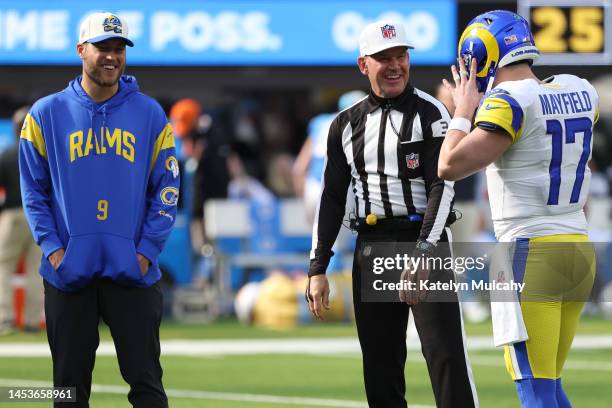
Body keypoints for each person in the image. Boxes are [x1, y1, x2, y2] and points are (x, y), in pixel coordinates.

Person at [306, 20, 478, 407]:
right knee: (380, 368)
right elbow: (332, 197)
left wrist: (423, 252)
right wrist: (318, 267)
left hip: (425, 242)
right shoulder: (345, 125)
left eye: (401, 55)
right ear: (363, 64)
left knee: (446, 358)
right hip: (373, 246)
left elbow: (443, 186)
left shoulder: (431, 113)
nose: (395, 64)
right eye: (383, 58)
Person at [438, 10, 599, 407]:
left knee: (535, 392)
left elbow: (449, 165)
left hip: (531, 253)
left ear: (479, 54)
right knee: (550, 387)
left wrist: (461, 110)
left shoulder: (509, 101)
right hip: (577, 247)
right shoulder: (580, 89)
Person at [19, 12, 178, 407]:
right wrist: (55, 250)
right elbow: (32, 193)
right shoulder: (45, 114)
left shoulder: (151, 114)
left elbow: (168, 189)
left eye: (119, 49)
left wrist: (145, 252)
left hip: (133, 272)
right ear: (81, 51)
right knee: (67, 389)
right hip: (68, 271)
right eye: (103, 48)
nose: (112, 57)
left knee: (147, 385)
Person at [0, 106, 44, 335]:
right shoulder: (41, 153)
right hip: (39, 215)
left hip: (13, 214)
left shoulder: (7, 153)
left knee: (3, 266)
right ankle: (31, 322)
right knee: (36, 270)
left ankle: (5, 319)